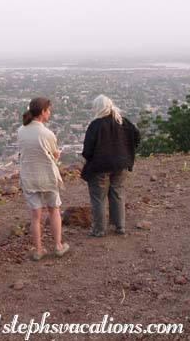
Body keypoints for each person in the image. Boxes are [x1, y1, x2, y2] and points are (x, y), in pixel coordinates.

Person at [18, 97, 69, 261]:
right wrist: (57, 155)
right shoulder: (47, 133)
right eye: (48, 110)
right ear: (42, 112)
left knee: (35, 216)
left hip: (30, 177)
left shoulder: (21, 131)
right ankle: (58, 246)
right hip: (47, 177)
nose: (50, 113)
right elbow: (53, 155)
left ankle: (38, 250)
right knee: (54, 210)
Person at [81, 95, 140, 237]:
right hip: (121, 164)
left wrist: (90, 159)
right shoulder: (123, 122)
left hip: (100, 167)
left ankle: (99, 229)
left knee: (98, 198)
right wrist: (126, 151)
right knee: (117, 194)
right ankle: (120, 226)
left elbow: (87, 150)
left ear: (98, 108)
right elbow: (136, 137)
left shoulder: (96, 125)